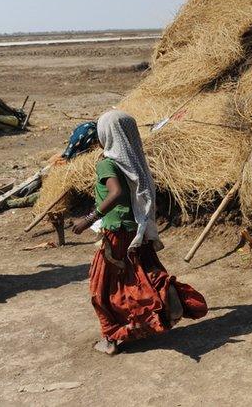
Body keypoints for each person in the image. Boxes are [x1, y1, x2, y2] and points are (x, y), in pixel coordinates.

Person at [71, 110, 207, 355]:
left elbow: (116, 194)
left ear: (107, 134)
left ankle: (111, 338)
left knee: (101, 288)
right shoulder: (132, 160)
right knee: (141, 276)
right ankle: (165, 303)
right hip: (136, 228)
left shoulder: (107, 162)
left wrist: (87, 220)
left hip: (117, 233)